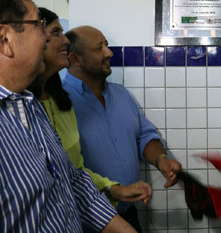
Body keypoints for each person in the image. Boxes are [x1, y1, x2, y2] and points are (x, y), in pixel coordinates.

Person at [0, 0, 135, 232]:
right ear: (5, 40)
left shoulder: (29, 107)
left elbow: (71, 181)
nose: (46, 39)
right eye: (39, 25)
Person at [28, 7, 152, 207]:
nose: (65, 40)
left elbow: (73, 170)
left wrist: (113, 189)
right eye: (56, 33)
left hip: (97, 212)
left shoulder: (60, 102)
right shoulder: (21, 105)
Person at [62, 25, 182, 232]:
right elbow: (65, 167)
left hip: (128, 213)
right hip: (88, 219)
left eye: (106, 46)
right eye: (99, 48)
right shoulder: (60, 103)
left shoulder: (121, 94)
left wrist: (161, 160)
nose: (109, 53)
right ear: (75, 60)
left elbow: (144, 136)